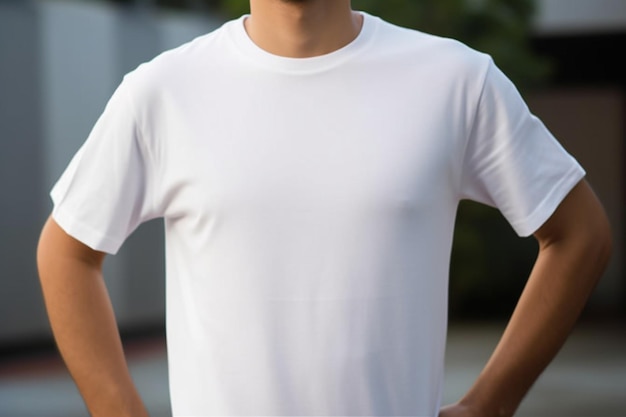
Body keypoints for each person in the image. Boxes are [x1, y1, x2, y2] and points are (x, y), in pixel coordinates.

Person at [36, 0, 612, 416]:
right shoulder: (163, 91)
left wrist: (492, 403)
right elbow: (66, 252)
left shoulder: (456, 81)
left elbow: (580, 234)